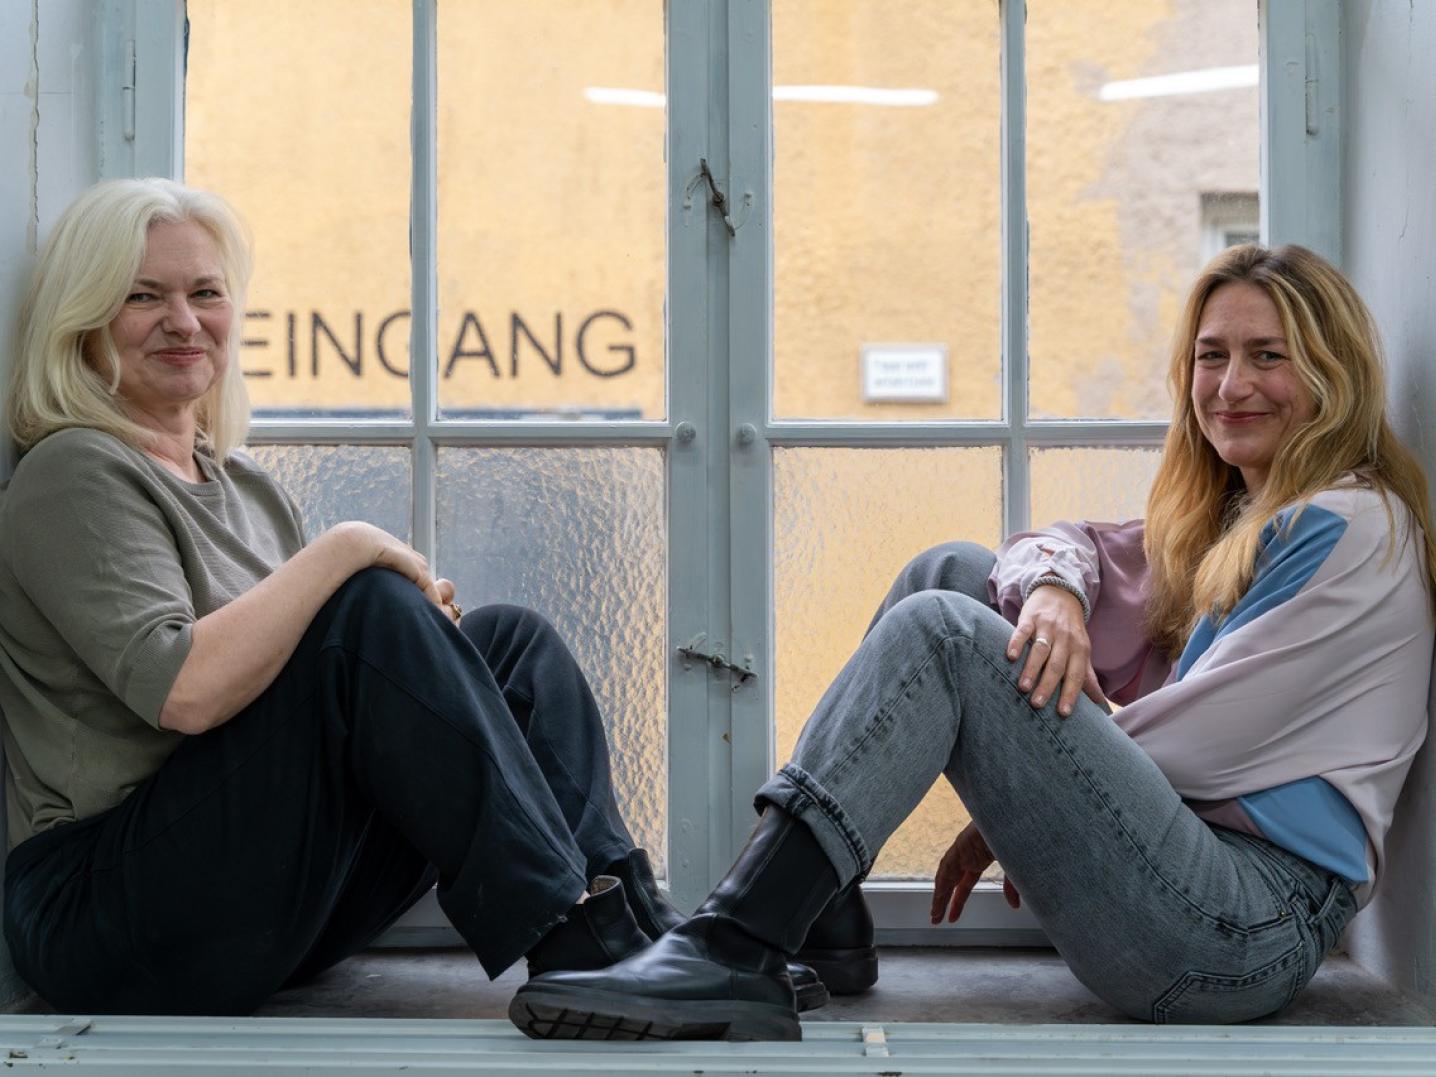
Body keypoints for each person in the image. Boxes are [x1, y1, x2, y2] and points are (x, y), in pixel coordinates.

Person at [513, 243, 1436, 1040]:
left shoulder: (1348, 528)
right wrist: (1055, 592)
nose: (1231, 386)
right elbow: (1047, 548)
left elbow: (1204, 742)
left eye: (1267, 356)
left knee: (947, 637)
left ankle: (731, 945)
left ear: (1332, 371)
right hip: (1195, 891)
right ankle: (824, 919)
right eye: (1212, 355)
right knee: (950, 576)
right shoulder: (1238, 515)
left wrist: (1017, 788)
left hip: (1245, 927)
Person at [0, 178, 841, 1015]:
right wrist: (351, 554)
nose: (183, 321)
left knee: (508, 644)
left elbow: (304, 689)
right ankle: (571, 936)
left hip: (255, 900)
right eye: (143, 296)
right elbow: (183, 690)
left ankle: (645, 932)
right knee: (366, 607)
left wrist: (421, 657)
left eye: (205, 293)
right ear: (85, 319)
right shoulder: (72, 471)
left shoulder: (247, 489)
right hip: (105, 913)